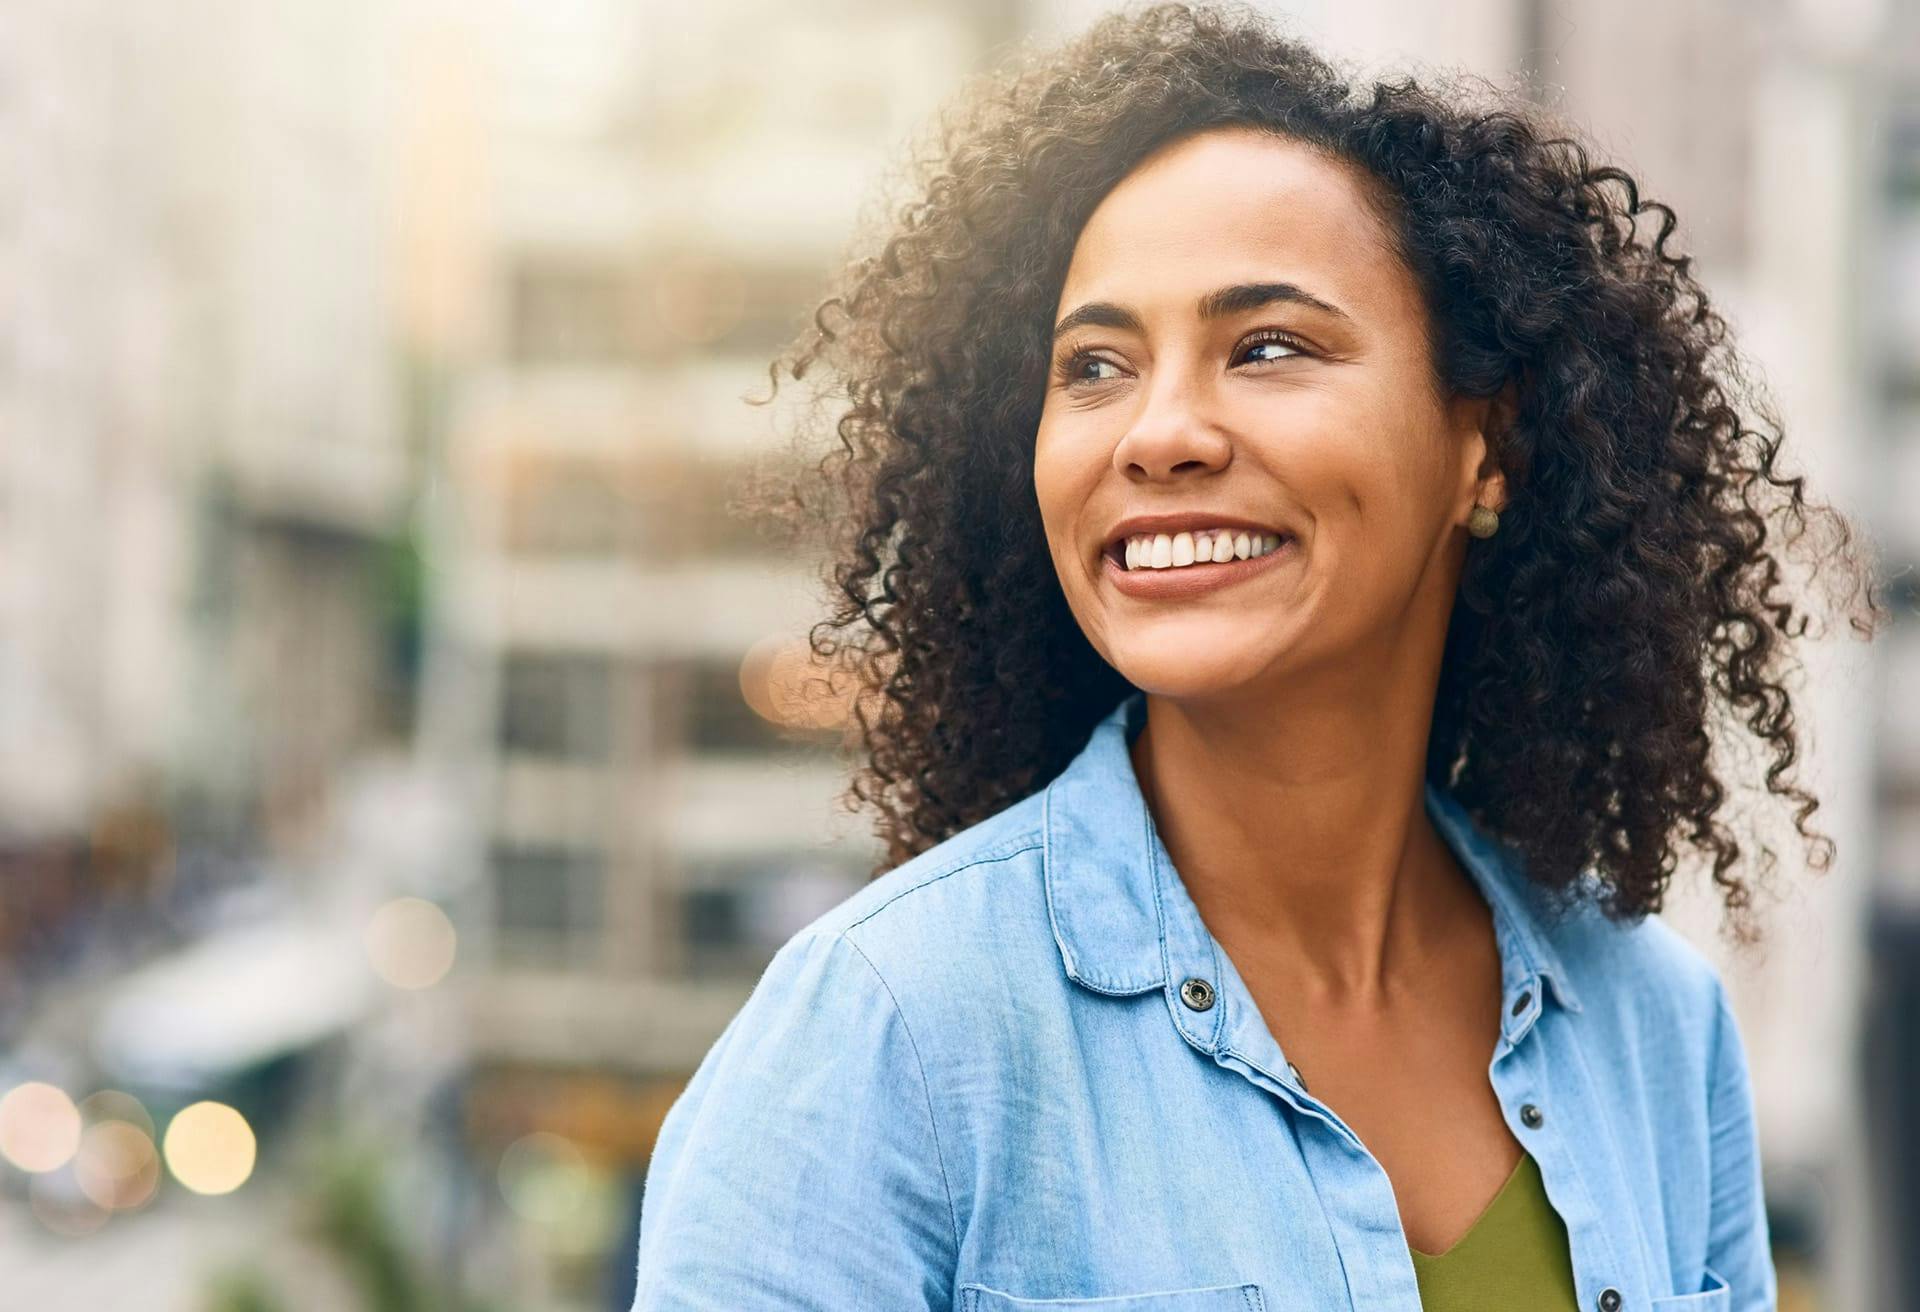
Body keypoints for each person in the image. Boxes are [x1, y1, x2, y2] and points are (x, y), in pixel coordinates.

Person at [629, 3, 1885, 1309]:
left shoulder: (1655, 1035)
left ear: (1486, 451)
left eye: (1268, 345)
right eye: (1097, 365)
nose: (1158, 431)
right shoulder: (889, 1033)